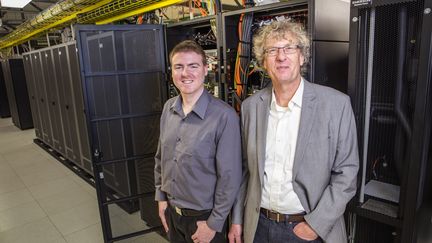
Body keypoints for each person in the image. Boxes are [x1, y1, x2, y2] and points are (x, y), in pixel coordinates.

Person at [228, 20, 359, 243]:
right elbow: (244, 171)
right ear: (263, 62)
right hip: (258, 226)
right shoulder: (251, 107)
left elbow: (347, 173)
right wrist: (237, 219)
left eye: (289, 48)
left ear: (301, 56)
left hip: (308, 229)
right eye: (272, 50)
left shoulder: (335, 104)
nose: (281, 57)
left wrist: (314, 226)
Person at [154, 40, 242, 243]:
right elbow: (161, 158)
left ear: (205, 69)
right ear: (172, 72)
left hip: (204, 219)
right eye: (179, 67)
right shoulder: (169, 108)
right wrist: (161, 198)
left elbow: (230, 178)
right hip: (173, 214)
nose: (185, 73)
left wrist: (213, 224)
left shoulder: (224, 117)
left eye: (193, 66)